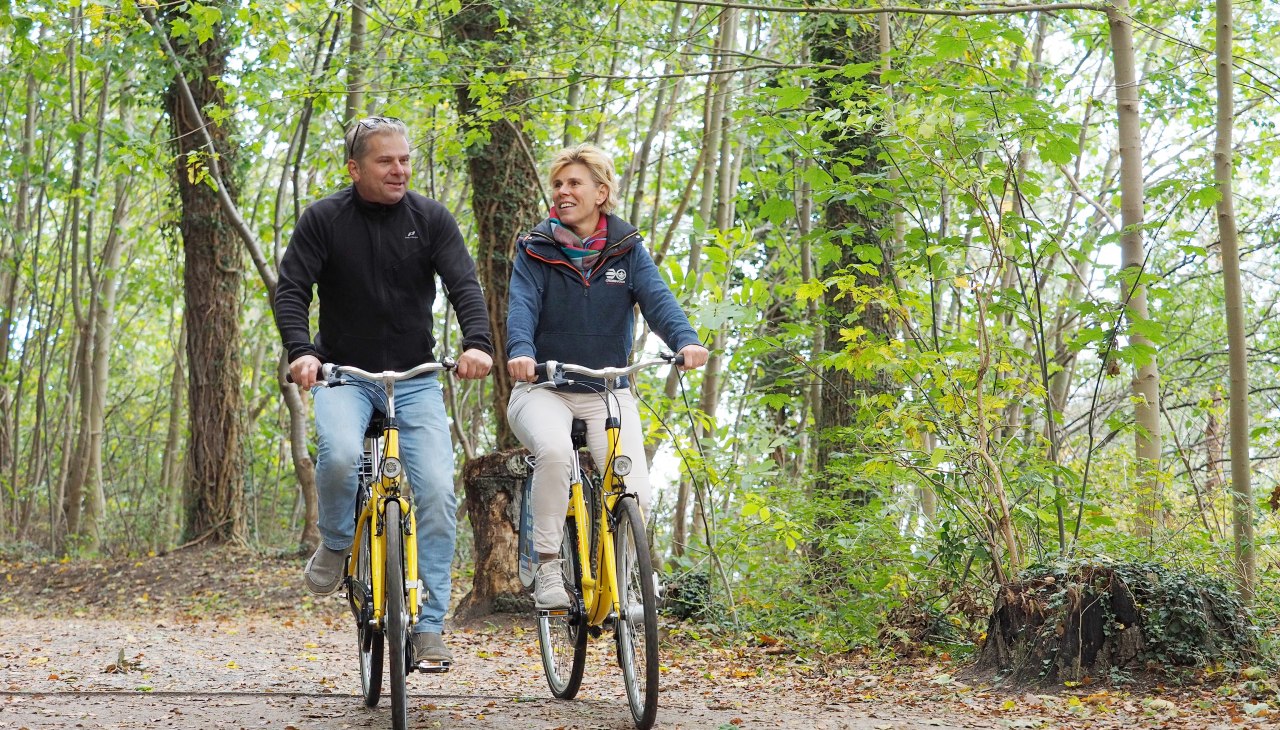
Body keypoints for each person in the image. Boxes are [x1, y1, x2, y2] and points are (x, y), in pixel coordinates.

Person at [274, 116, 493, 665]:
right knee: (343, 455)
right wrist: (302, 352)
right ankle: (336, 538)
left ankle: (430, 626)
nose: (399, 170)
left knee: (439, 496)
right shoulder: (323, 219)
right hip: (344, 375)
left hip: (415, 380)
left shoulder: (431, 219)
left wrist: (478, 343)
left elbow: (463, 283)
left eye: (405, 160)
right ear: (355, 168)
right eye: (385, 161)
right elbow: (293, 290)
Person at [505, 143, 709, 610]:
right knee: (555, 452)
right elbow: (521, 309)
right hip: (543, 388)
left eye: (574, 183)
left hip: (607, 390)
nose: (562, 192)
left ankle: (625, 579)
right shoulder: (535, 249)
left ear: (602, 192)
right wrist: (520, 353)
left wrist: (687, 341)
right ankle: (549, 565)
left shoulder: (627, 251)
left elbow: (660, 302)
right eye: (558, 184)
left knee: (634, 486)